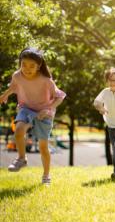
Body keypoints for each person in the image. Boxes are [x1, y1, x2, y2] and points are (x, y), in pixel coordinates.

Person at [0, 47, 66, 185]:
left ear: (39, 66)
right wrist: (4, 95)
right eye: (23, 64)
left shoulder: (46, 80)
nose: (27, 68)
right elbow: (13, 87)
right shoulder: (17, 75)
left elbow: (60, 97)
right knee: (18, 131)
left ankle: (46, 176)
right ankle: (21, 159)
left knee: (43, 147)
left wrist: (49, 109)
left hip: (44, 112)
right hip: (26, 108)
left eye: (31, 66)